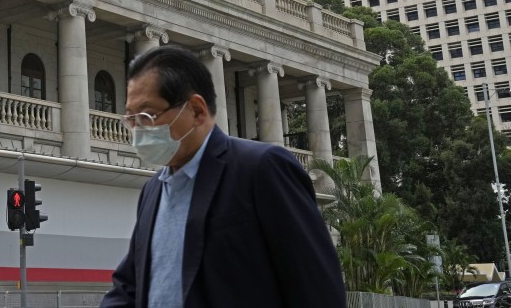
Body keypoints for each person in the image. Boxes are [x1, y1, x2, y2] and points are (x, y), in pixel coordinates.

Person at [101, 46, 346, 308]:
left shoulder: (261, 169)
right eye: (132, 118)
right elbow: (129, 286)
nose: (137, 130)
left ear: (196, 110)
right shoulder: (154, 189)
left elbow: (316, 288)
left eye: (148, 115)